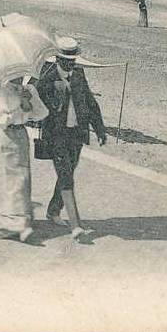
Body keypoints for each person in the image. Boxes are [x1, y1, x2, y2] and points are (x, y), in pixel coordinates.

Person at [36, 37, 107, 244]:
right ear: (57, 59)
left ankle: (53, 210)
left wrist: (100, 130)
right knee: (66, 176)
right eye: (66, 60)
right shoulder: (47, 76)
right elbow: (37, 103)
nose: (70, 64)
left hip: (76, 134)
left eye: (73, 60)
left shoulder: (79, 74)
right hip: (56, 135)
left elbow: (90, 103)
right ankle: (76, 226)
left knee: (67, 172)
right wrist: (54, 96)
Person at [0, 75, 48, 242]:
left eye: (22, 71)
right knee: (5, 179)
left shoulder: (29, 90)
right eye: (15, 72)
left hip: (21, 135)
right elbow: (1, 119)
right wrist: (19, 107)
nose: (19, 75)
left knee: (22, 178)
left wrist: (30, 102)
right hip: (4, 136)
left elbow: (43, 113)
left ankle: (20, 221)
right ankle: (12, 223)